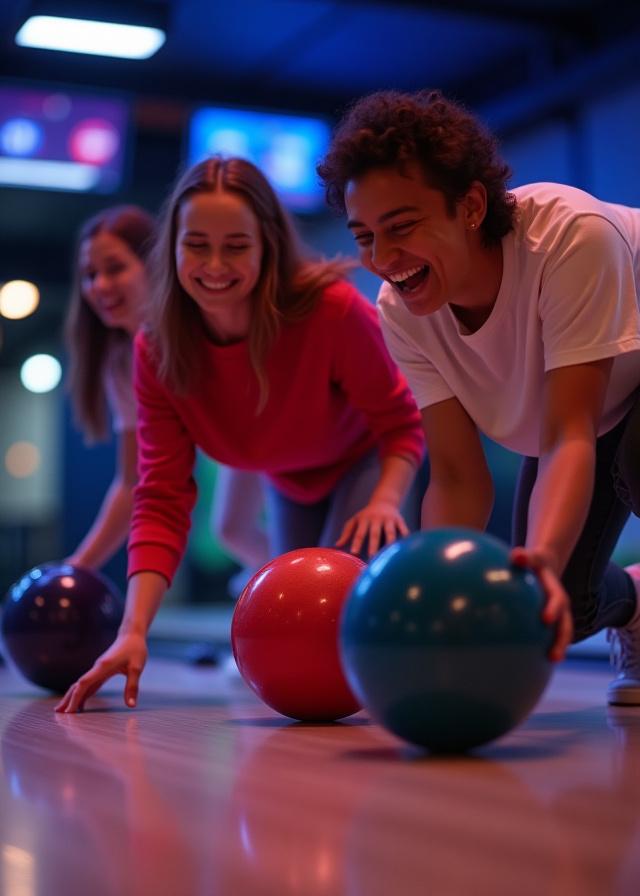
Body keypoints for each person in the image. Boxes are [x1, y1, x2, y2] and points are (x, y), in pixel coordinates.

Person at [56, 156, 425, 713]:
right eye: (197, 244)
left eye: (236, 246)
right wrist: (134, 630)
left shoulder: (330, 310)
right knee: (299, 618)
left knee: (339, 614)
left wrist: (384, 499)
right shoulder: (155, 351)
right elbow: (160, 496)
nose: (214, 265)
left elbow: (401, 425)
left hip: (365, 461)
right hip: (287, 475)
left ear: (267, 246)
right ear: (173, 247)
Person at [316, 88, 640, 706]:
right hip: (602, 408)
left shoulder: (572, 238)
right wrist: (427, 593)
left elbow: (570, 430)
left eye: (402, 227)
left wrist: (542, 552)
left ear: (468, 206)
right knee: (551, 602)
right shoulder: (403, 312)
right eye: (364, 237)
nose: (383, 259)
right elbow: (460, 478)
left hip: (612, 391)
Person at [64, 205, 154, 570]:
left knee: (233, 526)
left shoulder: (199, 330)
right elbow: (132, 480)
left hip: (284, 447)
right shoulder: (121, 364)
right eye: (89, 274)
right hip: (252, 458)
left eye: (115, 268)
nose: (99, 285)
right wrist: (78, 566)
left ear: (155, 263)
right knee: (232, 527)